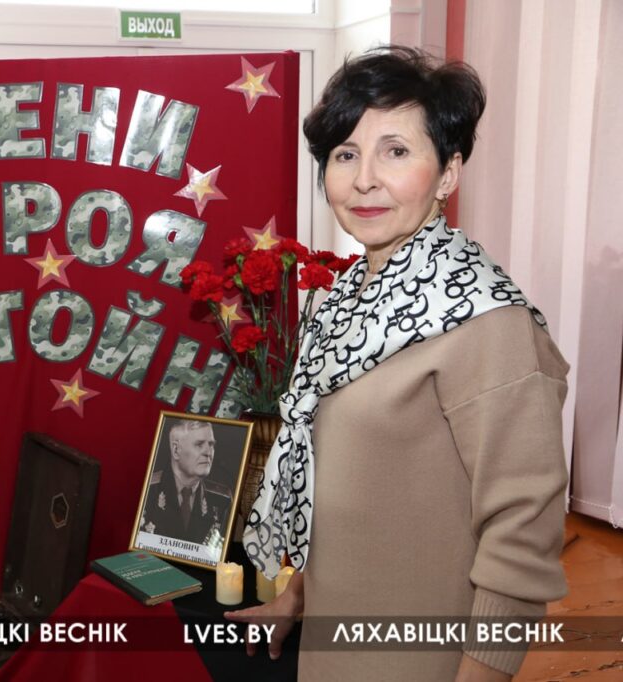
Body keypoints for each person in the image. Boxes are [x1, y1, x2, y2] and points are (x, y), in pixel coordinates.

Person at [224, 46, 568, 682]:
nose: (364, 179)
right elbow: (347, 488)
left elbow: (523, 532)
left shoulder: (485, 320)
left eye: (396, 151)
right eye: (345, 154)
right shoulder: (346, 302)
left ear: (448, 173)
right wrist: (296, 596)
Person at [139, 419, 232, 547]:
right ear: (176, 450)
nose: (208, 452)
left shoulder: (222, 499)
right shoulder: (147, 489)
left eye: (211, 444)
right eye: (199, 444)